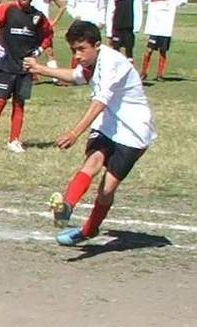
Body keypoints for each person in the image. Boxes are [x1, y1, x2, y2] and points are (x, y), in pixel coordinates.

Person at [24, 21, 155, 246]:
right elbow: (77, 76)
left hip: (134, 131)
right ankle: (66, 209)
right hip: (107, 124)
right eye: (74, 50)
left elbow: (100, 102)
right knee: (92, 163)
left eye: (82, 49)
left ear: (97, 45)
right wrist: (40, 69)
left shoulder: (112, 62)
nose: (77, 55)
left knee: (107, 189)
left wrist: (75, 132)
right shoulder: (93, 62)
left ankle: (88, 230)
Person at [0, 0, 53, 154]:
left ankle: (14, 140)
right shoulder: (7, 9)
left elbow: (49, 34)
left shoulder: (38, 16)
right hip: (5, 66)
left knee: (19, 104)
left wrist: (39, 49)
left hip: (25, 67)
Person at [139, 0, 186, 81]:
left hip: (165, 31)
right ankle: (143, 73)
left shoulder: (172, 2)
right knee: (149, 50)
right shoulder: (153, 1)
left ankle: (159, 75)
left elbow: (183, 2)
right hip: (154, 30)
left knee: (163, 51)